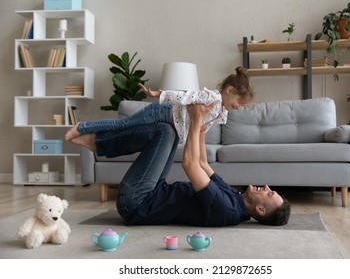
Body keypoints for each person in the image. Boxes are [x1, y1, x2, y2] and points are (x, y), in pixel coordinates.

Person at [71, 102, 291, 226]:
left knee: (163, 131)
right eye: (272, 190)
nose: (267, 187)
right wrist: (203, 127)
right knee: (171, 130)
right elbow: (203, 163)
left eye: (270, 194)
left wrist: (195, 121)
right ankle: (101, 144)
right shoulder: (235, 197)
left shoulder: (226, 209)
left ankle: (99, 143)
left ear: (260, 209)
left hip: (137, 203)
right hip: (153, 192)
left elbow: (190, 165)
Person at [64, 67, 254, 144]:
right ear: (229, 91)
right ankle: (83, 126)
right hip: (160, 113)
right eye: (240, 101)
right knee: (122, 125)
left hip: (168, 123)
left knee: (131, 134)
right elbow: (185, 95)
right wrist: (158, 93)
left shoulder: (221, 111)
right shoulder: (210, 96)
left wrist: (201, 127)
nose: (239, 106)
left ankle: (94, 139)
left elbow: (203, 122)